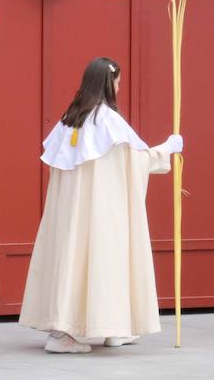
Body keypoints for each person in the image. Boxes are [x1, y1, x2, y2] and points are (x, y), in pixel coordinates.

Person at [19, 57, 184, 353]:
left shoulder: (69, 119)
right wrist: (166, 149)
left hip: (71, 215)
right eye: (118, 81)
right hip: (101, 212)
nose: (119, 87)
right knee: (105, 260)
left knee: (74, 259)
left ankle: (111, 327)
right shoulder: (107, 120)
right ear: (110, 83)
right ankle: (63, 335)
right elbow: (134, 161)